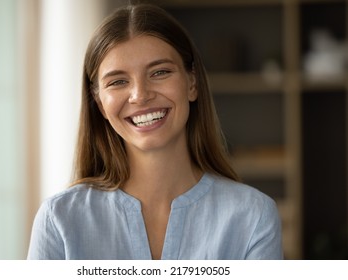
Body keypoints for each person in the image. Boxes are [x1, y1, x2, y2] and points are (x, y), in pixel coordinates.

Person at [27, 3, 283, 260]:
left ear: (191, 83)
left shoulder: (254, 216)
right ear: (100, 104)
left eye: (160, 72)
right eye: (118, 82)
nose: (140, 95)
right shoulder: (58, 219)